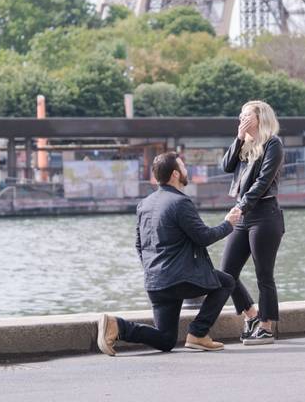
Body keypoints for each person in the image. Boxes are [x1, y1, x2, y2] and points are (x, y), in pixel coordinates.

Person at [97, 151, 241, 355]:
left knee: (166, 340)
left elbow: (139, 245)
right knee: (226, 282)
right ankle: (198, 333)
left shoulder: (144, 204)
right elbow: (204, 237)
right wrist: (228, 224)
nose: (186, 170)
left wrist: (152, 270)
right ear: (175, 174)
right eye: (183, 167)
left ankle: (117, 326)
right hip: (179, 280)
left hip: (155, 282)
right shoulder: (180, 202)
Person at [219, 100, 286, 345]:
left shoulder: (273, 144)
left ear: (260, 118)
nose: (242, 119)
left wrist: (240, 206)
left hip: (265, 215)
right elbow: (226, 166)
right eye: (241, 116)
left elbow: (263, 182)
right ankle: (252, 314)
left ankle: (267, 327)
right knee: (226, 272)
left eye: (247, 116)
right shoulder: (245, 144)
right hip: (244, 215)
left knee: (264, 274)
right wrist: (238, 137)